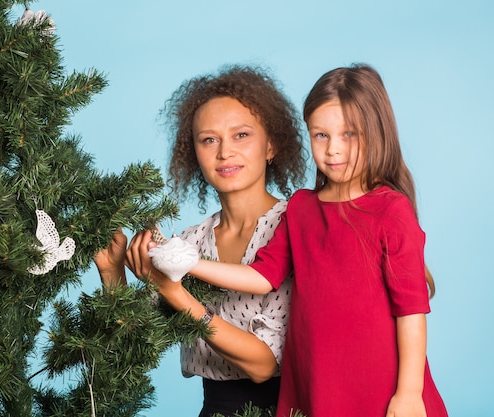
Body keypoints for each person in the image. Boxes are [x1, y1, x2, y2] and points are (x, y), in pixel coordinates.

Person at [146, 64, 448, 417]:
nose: (334, 149)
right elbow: (262, 277)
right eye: (321, 135)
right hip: (318, 384)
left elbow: (411, 309)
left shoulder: (391, 210)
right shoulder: (302, 208)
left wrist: (409, 392)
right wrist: (189, 264)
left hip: (380, 384)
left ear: (375, 133)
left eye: (348, 134)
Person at [94, 64, 307, 417]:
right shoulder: (187, 243)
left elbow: (263, 364)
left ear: (271, 145)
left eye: (241, 135)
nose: (224, 152)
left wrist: (173, 290)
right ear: (193, 152)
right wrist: (112, 272)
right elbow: (132, 352)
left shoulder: (297, 227)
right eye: (209, 139)